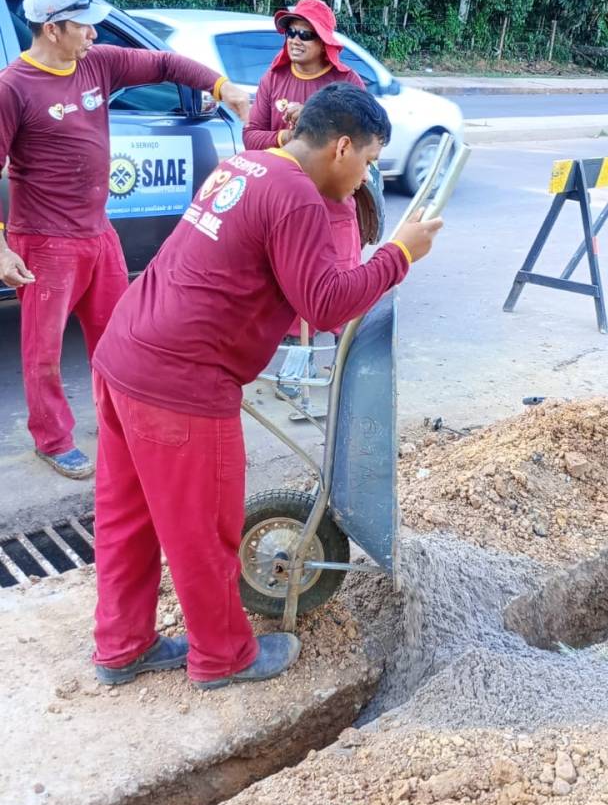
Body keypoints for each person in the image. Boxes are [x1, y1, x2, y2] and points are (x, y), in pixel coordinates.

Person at [90, 84, 443, 690]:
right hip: (182, 383)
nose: (366, 178)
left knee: (128, 519)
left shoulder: (248, 164)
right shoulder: (297, 197)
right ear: (340, 147)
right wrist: (399, 255)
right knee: (203, 531)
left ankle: (122, 646)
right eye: (368, 161)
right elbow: (327, 303)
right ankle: (222, 658)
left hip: (125, 353)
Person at [0, 0, 250, 479]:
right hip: (45, 241)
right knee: (42, 352)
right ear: (52, 29)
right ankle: (52, 438)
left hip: (99, 233)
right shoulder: (12, 88)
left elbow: (165, 63)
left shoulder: (98, 64)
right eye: (84, 27)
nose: (94, 35)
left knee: (118, 338)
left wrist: (224, 89)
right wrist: (2, 250)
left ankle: (119, 422)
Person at [243, 0, 372, 380]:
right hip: (284, 202)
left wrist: (318, 120)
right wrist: (288, 135)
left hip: (334, 202)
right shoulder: (273, 80)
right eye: (290, 32)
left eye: (306, 34)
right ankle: (299, 366)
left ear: (324, 43)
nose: (295, 40)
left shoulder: (346, 83)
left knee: (341, 281)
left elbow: (365, 139)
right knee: (291, 281)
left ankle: (347, 369)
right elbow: (251, 137)